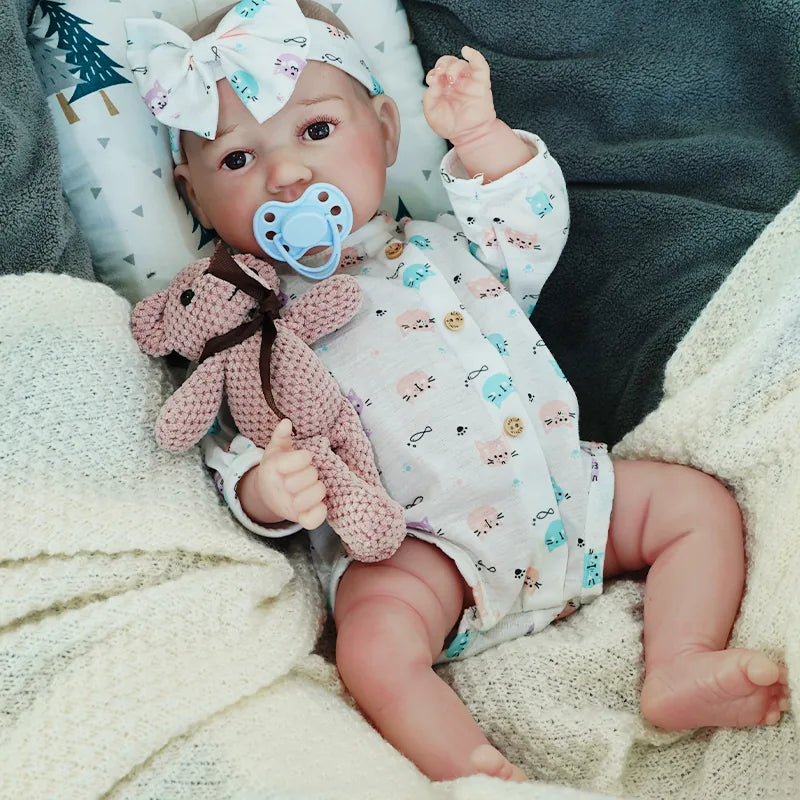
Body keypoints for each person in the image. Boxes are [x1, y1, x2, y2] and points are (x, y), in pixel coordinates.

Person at [126, 0, 789, 782]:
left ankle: (679, 662)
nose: (289, 174)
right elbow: (221, 451)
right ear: (192, 196)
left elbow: (529, 228)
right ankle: (469, 768)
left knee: (695, 506)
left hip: (571, 494)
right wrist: (269, 491)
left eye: (317, 131)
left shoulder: (441, 244)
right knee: (370, 644)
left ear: (384, 129)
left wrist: (480, 139)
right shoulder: (245, 329)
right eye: (236, 160)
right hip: (422, 552)